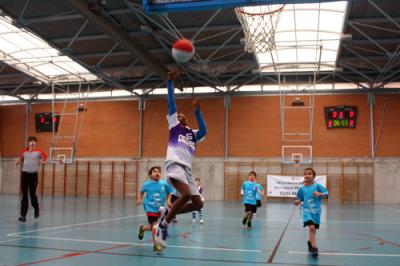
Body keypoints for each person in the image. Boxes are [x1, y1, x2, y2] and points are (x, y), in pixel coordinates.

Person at [154, 69, 207, 250]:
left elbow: (204, 131)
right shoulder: (174, 126)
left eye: (184, 116)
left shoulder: (192, 134)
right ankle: (163, 226)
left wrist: (198, 111)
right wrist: (169, 83)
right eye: (179, 116)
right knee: (184, 195)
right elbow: (171, 105)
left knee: (198, 203)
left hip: (188, 170)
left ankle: (167, 213)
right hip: (175, 164)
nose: (181, 116)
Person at [294, 168, 328, 258]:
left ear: (313, 176)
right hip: (306, 211)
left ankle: (310, 241)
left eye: (309, 173)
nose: (307, 175)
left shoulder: (317, 186)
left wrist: (319, 194)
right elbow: (300, 198)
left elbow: (326, 194)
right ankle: (314, 248)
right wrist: (297, 201)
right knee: (312, 228)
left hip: (316, 212)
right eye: (305, 174)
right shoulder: (302, 189)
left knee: (314, 230)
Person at [136, 166, 172, 252]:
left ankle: (143, 228)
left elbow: (169, 192)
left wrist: (168, 200)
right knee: (155, 226)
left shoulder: (164, 184)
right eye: (154, 171)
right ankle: (156, 245)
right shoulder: (147, 184)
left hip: (159, 209)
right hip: (150, 208)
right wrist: (139, 199)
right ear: (150, 175)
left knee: (153, 227)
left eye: (159, 171)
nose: (157, 173)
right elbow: (141, 191)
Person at [16, 136, 47, 222]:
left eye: (34, 141)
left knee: (32, 195)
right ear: (28, 143)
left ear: (36, 143)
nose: (32, 142)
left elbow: (45, 160)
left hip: (33, 176)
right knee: (24, 195)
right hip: (25, 175)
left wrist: (42, 162)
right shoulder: (24, 152)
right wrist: (18, 162)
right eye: (31, 141)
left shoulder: (39, 152)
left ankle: (36, 209)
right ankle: (23, 216)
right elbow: (21, 159)